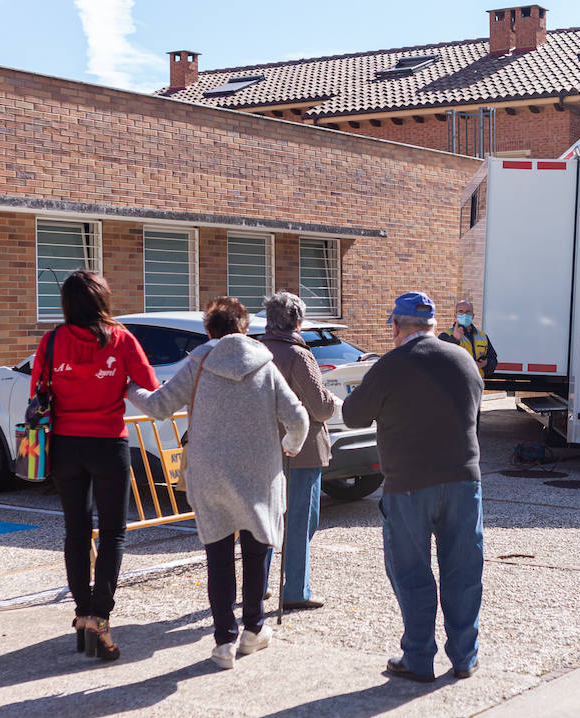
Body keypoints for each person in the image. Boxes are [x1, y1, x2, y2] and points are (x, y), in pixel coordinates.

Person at [127, 297, 307, 670]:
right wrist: (290, 446)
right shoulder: (266, 366)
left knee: (219, 558)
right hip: (259, 474)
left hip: (210, 474)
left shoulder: (198, 363)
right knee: (256, 555)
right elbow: (298, 417)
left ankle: (224, 642)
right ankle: (253, 631)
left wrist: (130, 388)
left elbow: (160, 407)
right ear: (244, 329)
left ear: (209, 330)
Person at [343, 291, 484, 683]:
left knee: (411, 571)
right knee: (464, 569)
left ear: (395, 326)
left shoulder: (390, 366)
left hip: (408, 483)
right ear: (432, 325)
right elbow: (475, 411)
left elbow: (353, 416)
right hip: (463, 480)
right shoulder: (463, 359)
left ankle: (419, 658)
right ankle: (465, 657)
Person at [31, 269, 159, 662]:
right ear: (103, 300)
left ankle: (82, 612)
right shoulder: (121, 338)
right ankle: (100, 617)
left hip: (65, 446)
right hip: (108, 444)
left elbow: (37, 390)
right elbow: (150, 385)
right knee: (113, 535)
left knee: (75, 531)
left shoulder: (51, 341)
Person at [260, 291, 340, 610]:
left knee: (267, 519)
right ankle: (296, 588)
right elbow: (319, 408)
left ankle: (260, 583)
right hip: (302, 449)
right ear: (297, 321)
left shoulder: (258, 351)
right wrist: (334, 404)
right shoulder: (299, 354)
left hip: (264, 447)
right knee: (301, 521)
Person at [438, 300, 498, 378]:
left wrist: (485, 363)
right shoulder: (445, 335)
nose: (464, 315)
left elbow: (493, 361)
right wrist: (454, 339)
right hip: (453, 386)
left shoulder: (482, 336)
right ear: (455, 315)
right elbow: (440, 361)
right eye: (461, 311)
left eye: (468, 312)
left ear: (473, 316)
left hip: (476, 386)